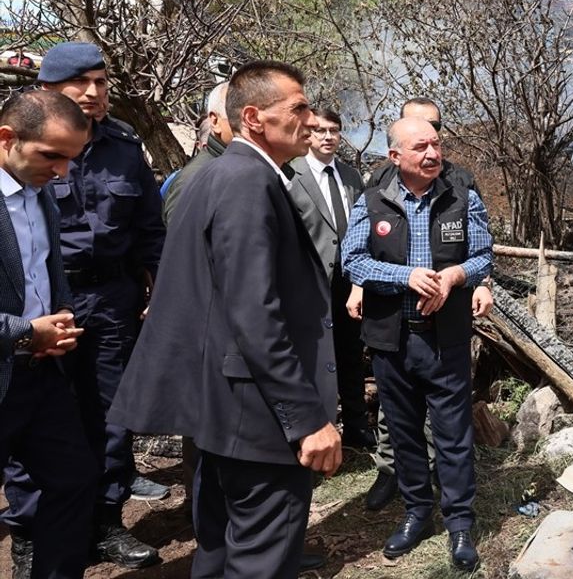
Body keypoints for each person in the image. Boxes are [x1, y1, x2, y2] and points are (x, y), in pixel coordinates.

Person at [108, 60, 342, 579]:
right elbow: (254, 312)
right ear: (255, 117)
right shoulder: (245, 182)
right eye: (299, 108)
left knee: (218, 554)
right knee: (258, 561)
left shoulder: (224, 174)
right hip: (257, 420)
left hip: (221, 411)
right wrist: (306, 420)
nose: (309, 118)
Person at [4, 43, 166, 572]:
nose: (94, 93)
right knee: (32, 428)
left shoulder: (120, 144)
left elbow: (147, 223)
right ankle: (30, 532)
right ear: (48, 91)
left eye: (101, 81)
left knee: (106, 416)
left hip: (102, 300)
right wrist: (31, 328)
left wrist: (155, 280)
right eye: (81, 83)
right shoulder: (28, 154)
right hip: (33, 319)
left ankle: (104, 521)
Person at [343, 115, 493, 571]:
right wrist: (405, 277)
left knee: (452, 435)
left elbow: (483, 253)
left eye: (436, 145)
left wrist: (454, 275)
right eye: (420, 147)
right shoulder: (371, 201)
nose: (432, 154)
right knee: (405, 434)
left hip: (444, 340)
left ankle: (460, 523)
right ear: (395, 156)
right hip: (392, 339)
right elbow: (353, 262)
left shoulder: (461, 197)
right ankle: (416, 514)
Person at [0, 90, 95, 579]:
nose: (61, 172)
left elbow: (45, 273)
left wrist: (58, 320)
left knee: (74, 481)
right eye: (51, 156)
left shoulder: (41, 196)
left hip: (40, 374)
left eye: (70, 159)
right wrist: (23, 332)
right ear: (7, 138)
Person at [286, 108, 373, 447]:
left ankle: (356, 428)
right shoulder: (291, 173)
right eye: (320, 130)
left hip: (349, 285)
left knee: (351, 356)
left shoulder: (351, 176)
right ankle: (316, 430)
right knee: (313, 358)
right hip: (310, 285)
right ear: (308, 134)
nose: (327, 137)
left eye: (334, 130)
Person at [162, 82, 231, 222]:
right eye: (236, 115)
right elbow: (182, 240)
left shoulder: (242, 165)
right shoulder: (192, 180)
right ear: (215, 121)